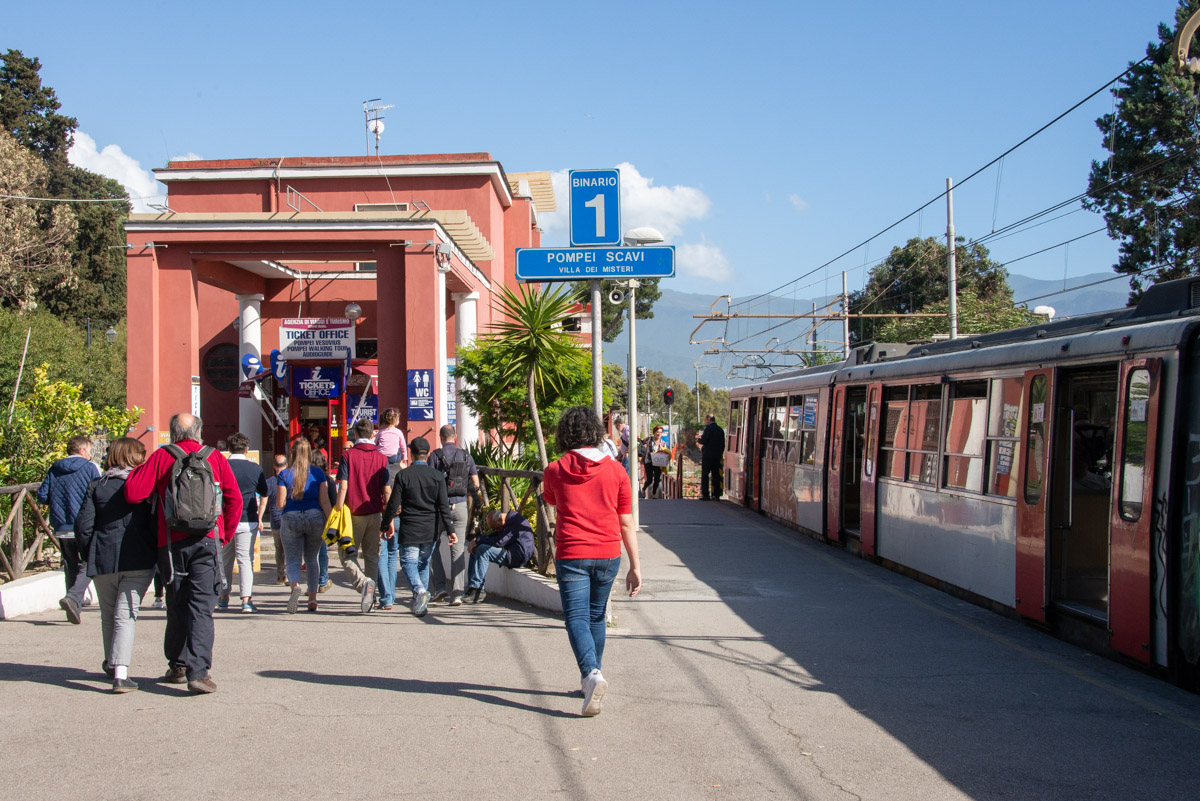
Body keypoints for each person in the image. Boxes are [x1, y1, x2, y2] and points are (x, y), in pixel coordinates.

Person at [124, 413, 241, 694]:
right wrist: (224, 535)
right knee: (202, 608)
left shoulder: (163, 456)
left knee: (176, 603)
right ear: (199, 432)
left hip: (171, 542)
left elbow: (133, 493)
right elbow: (234, 498)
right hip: (208, 540)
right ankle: (198, 673)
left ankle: (177, 665)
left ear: (172, 433)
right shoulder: (214, 457)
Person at [542, 406, 641, 717]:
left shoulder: (556, 469)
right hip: (609, 553)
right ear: (596, 433)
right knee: (597, 617)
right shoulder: (616, 471)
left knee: (576, 619)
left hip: (572, 553)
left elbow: (552, 500)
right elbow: (626, 522)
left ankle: (591, 674)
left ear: (565, 435)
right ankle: (590, 678)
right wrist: (635, 566)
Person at [74, 437, 155, 693]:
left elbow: (84, 525)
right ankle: (121, 673)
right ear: (134, 457)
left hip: (103, 557)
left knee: (108, 614)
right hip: (139, 557)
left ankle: (111, 663)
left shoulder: (97, 485)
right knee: (126, 614)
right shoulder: (144, 486)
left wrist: (90, 552)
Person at [379, 437, 456, 617]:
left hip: (410, 527)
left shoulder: (403, 476)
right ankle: (421, 604)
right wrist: (451, 530)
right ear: (428, 454)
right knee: (422, 564)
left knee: (408, 562)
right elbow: (443, 506)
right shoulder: (437, 476)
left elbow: (393, 504)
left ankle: (420, 591)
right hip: (431, 528)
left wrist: (385, 525)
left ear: (412, 455)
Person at [38, 434, 102, 624]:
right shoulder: (90, 468)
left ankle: (73, 607)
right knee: (90, 563)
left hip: (61, 526)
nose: (90, 454)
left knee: (70, 565)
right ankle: (73, 599)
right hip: (84, 526)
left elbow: (42, 495)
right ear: (82, 451)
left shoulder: (54, 469)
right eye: (89, 450)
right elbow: (99, 494)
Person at [335, 418, 390, 613]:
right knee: (372, 557)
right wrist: (388, 517)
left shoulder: (348, 455)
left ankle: (362, 583)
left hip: (353, 513)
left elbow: (343, 486)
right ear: (372, 434)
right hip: (375, 512)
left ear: (356, 435)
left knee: (346, 554)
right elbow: (386, 490)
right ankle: (372, 600)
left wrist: (337, 510)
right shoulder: (382, 458)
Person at [276, 438, 333, 613]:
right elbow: (324, 501)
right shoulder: (318, 473)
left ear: (291, 454)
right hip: (315, 516)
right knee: (312, 558)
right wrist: (333, 522)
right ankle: (313, 599)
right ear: (309, 453)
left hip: (291, 517)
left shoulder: (284, 475)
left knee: (292, 559)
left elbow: (280, 504)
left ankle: (295, 587)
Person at [427, 424, 480, 605]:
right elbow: (476, 483)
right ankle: (457, 593)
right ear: (455, 437)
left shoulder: (434, 456)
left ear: (441, 438)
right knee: (457, 548)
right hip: (460, 506)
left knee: (432, 544)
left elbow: (430, 483)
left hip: (440, 508)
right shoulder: (466, 455)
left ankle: (440, 587)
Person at [220, 433, 267, 613]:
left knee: (225, 559)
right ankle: (246, 600)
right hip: (247, 518)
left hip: (225, 519)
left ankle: (223, 597)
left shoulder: (222, 466)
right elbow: (264, 492)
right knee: (245, 560)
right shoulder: (255, 469)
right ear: (246, 449)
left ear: (229, 449)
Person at [465, 509, 535, 603]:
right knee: (476, 549)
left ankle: (478, 590)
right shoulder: (507, 521)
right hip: (510, 551)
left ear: (501, 520)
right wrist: (476, 541)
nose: (496, 530)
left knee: (482, 550)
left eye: (496, 528)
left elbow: (499, 542)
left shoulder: (514, 522)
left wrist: (478, 540)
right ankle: (472, 587)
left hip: (516, 556)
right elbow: (495, 536)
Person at [265, 453, 287, 584]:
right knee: (290, 548)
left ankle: (280, 575)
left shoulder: (269, 482)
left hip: (275, 519)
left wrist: (259, 517)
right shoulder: (291, 480)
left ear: (274, 467)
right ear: (287, 465)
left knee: (279, 549)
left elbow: (263, 501)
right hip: (289, 519)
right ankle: (290, 574)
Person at [697, 414, 726, 501]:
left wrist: (699, 439)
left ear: (709, 419)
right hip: (717, 456)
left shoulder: (708, 429)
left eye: (706, 419)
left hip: (708, 456)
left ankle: (705, 495)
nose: (705, 421)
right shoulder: (720, 430)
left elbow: (704, 440)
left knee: (705, 475)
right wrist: (720, 453)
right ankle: (716, 495)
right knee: (716, 475)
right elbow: (723, 443)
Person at [643, 425, 666, 499]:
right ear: (654, 432)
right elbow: (642, 443)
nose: (659, 434)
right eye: (657, 432)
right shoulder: (649, 440)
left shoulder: (663, 443)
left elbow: (665, 453)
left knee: (657, 479)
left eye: (660, 432)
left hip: (658, 462)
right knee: (649, 479)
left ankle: (653, 493)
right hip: (649, 462)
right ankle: (644, 488)